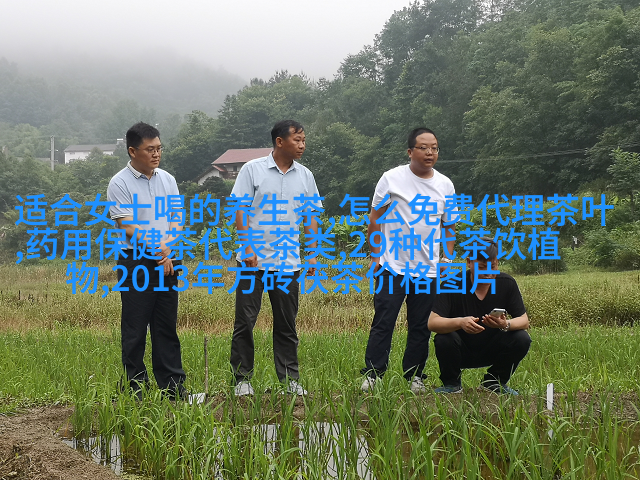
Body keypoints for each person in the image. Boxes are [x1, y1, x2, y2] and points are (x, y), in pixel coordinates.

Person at [360, 127, 456, 393]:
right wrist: (375, 255)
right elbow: (375, 220)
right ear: (410, 151)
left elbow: (449, 226)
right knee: (384, 321)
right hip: (392, 265)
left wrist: (447, 258)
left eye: (434, 148)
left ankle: (414, 376)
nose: (430, 152)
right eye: (423, 148)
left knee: (421, 326)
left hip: (428, 269)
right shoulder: (391, 179)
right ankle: (374, 374)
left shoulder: (445, 185)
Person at [230, 120, 321, 396]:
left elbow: (311, 216)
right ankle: (242, 380)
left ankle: (290, 380)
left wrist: (313, 254)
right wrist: (247, 246)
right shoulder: (252, 169)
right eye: (297, 140)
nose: (302, 145)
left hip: (287, 263)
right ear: (280, 142)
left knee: (286, 324)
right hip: (253, 262)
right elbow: (240, 209)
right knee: (245, 322)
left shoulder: (305, 176)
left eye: (304, 140)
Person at [107, 122, 186, 400]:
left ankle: (173, 390)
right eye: (150, 149)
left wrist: (167, 249)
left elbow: (177, 218)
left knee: (166, 327)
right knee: (135, 328)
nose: (156, 154)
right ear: (132, 151)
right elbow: (126, 225)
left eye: (159, 148)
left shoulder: (168, 179)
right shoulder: (119, 183)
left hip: (168, 258)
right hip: (136, 261)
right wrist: (159, 250)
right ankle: (136, 391)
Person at [428, 238, 531, 395]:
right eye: (482, 267)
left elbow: (524, 321)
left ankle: (494, 382)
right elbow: (433, 322)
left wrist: (505, 324)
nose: (489, 273)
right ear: (469, 262)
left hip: (492, 348)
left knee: (522, 338)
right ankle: (452, 383)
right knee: (444, 338)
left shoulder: (507, 283)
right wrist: (460, 322)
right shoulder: (452, 284)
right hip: (460, 349)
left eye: (493, 266)